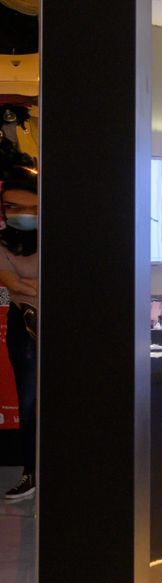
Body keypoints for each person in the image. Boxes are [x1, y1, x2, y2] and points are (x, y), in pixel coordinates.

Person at [0, 168, 37, 500]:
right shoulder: (3, 243)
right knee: (27, 400)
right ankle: (30, 471)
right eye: (13, 207)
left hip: (56, 321)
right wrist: (29, 286)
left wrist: (26, 286)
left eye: (31, 208)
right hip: (22, 324)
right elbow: (10, 285)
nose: (22, 215)